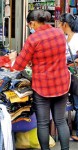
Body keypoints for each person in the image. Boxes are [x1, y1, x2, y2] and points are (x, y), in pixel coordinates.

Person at [11, 9, 70, 150]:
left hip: (43, 87)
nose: (30, 28)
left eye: (29, 25)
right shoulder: (59, 33)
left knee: (43, 123)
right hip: (62, 83)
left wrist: (13, 60)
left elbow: (19, 65)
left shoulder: (33, 39)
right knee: (61, 121)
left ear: (32, 23)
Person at [59, 13, 78, 141]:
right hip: (65, 75)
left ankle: (76, 132)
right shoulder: (63, 38)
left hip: (75, 75)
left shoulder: (77, 38)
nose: (59, 26)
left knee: (77, 104)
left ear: (65, 24)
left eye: (60, 23)